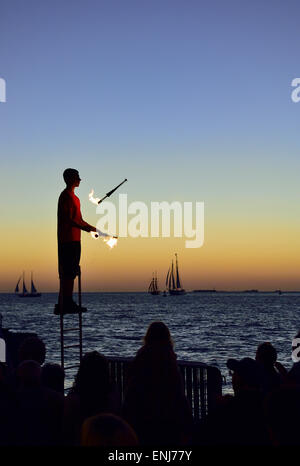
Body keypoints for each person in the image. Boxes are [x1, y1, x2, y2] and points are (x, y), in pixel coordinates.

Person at [122, 322, 193, 445]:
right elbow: (179, 395)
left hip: (140, 421)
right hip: (168, 422)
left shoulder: (140, 360)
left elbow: (130, 394)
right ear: (167, 338)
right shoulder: (169, 362)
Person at [55, 168, 96, 314]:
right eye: (77, 177)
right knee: (67, 273)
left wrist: (92, 228)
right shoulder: (65, 196)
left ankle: (65, 302)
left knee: (71, 272)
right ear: (71, 179)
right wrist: (85, 229)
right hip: (66, 240)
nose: (80, 179)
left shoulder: (76, 199)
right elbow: (68, 219)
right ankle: (64, 303)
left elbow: (79, 219)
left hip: (75, 240)